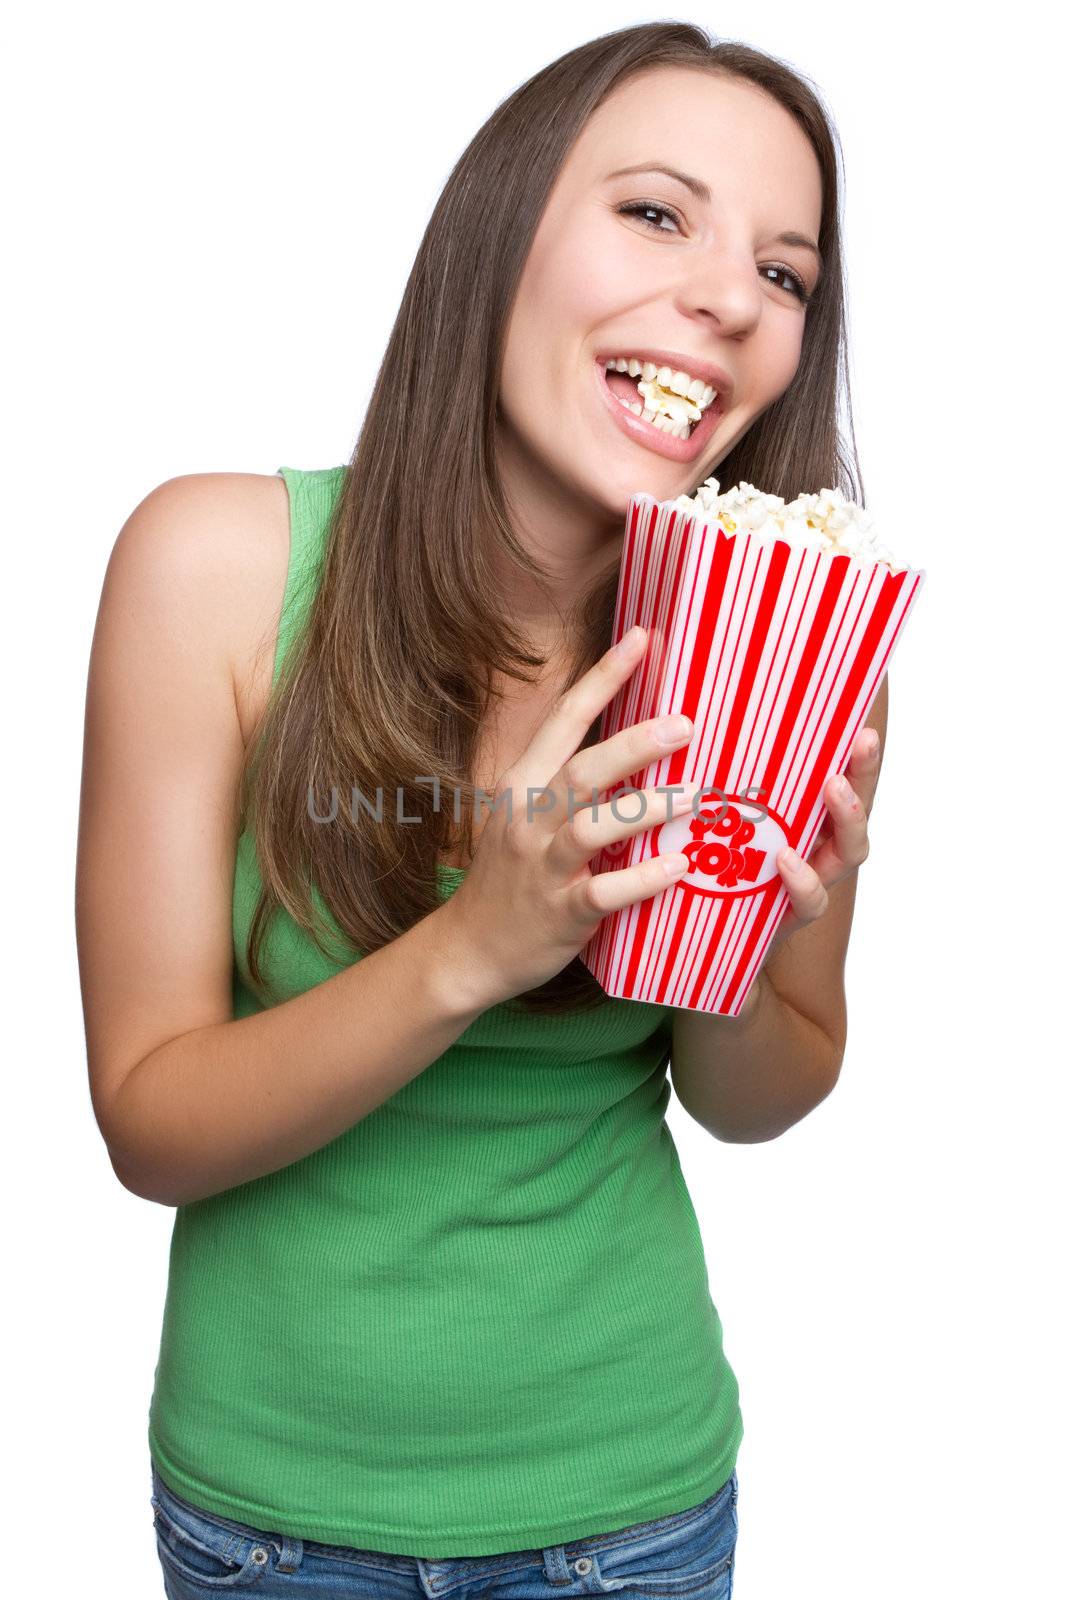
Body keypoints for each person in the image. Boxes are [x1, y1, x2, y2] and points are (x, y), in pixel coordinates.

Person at [75, 20, 888, 1599]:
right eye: (658, 213)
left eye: (787, 274)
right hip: (273, 1523)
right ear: (497, 228)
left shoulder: (797, 630)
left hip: (632, 1513)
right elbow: (149, 1124)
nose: (730, 294)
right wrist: (477, 944)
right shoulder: (216, 574)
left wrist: (736, 929)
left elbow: (758, 1094)